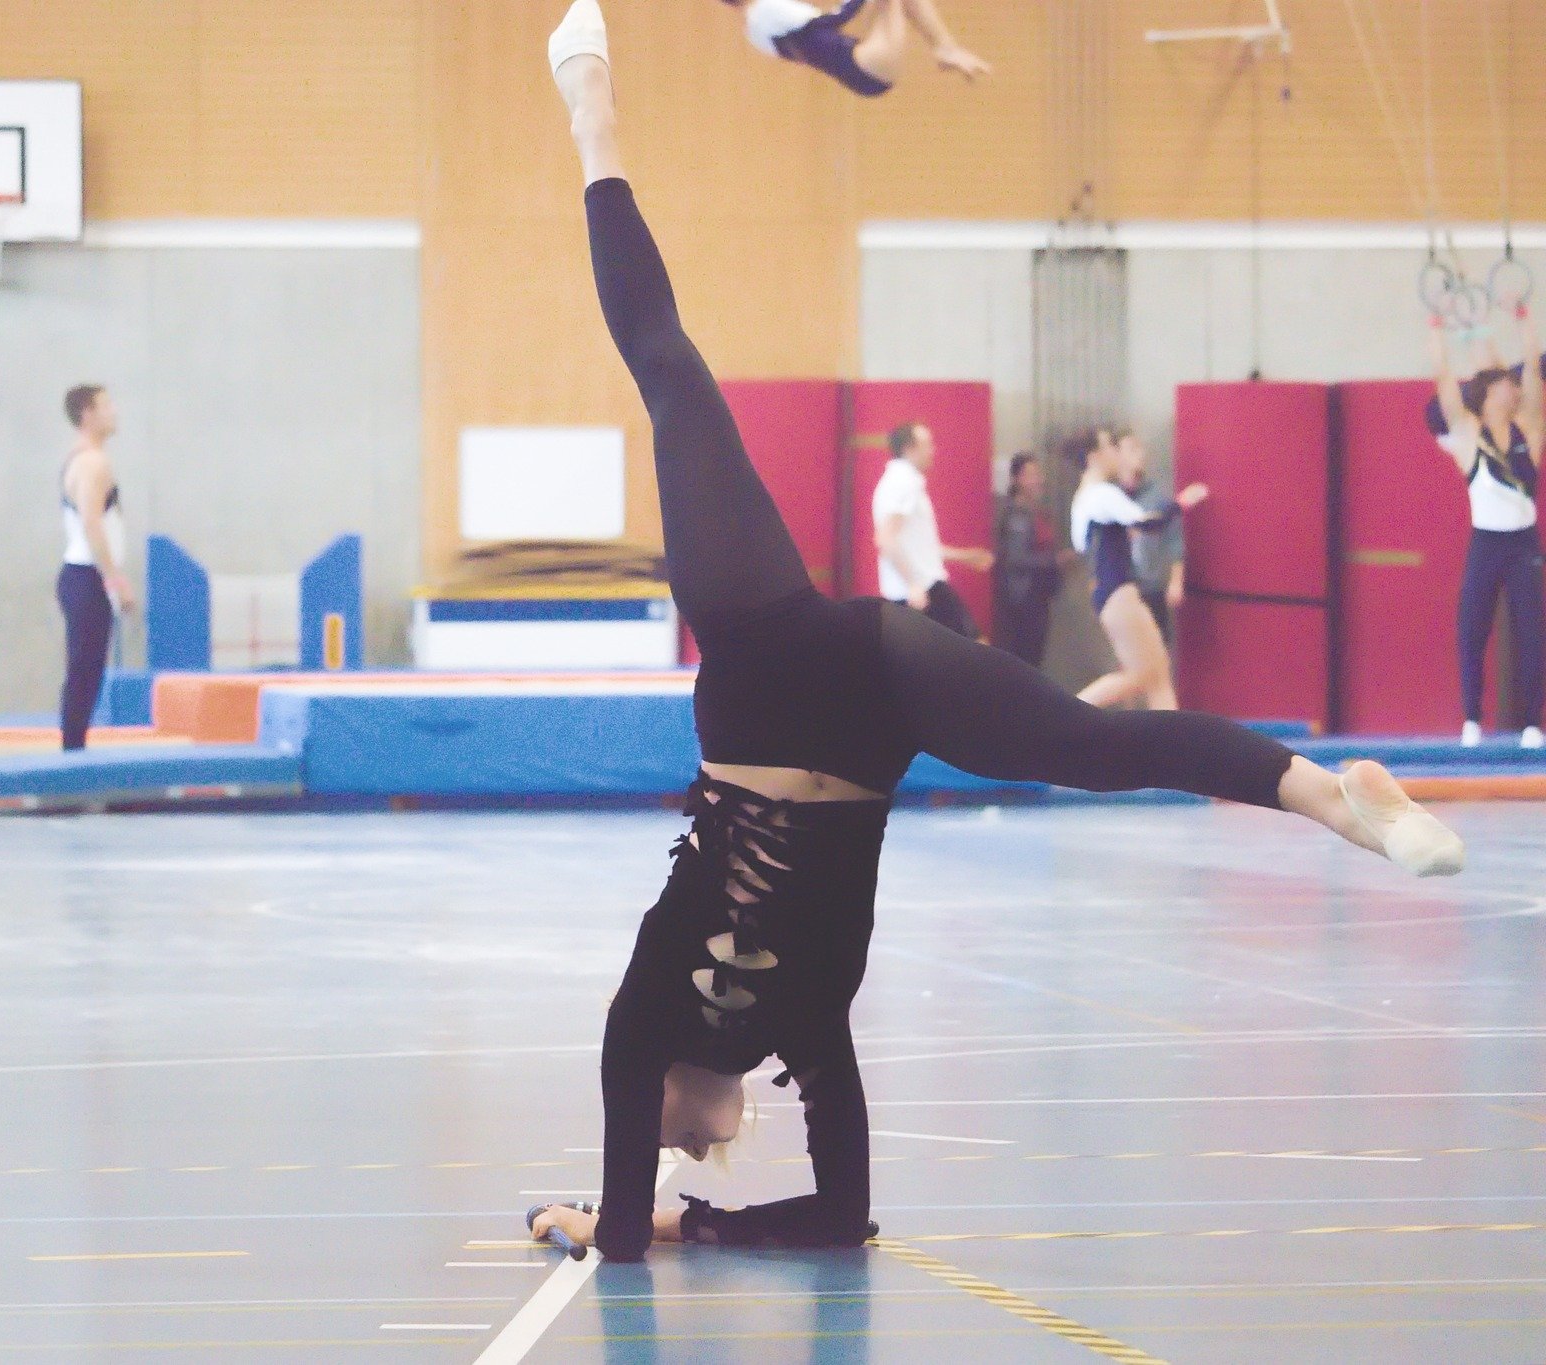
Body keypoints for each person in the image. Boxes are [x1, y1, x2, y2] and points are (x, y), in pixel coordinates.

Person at [536, 0, 1462, 1263]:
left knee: (670, 371)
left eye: (669, 1147)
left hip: (766, 654)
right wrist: (692, 1219)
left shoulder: (636, 1028)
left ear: (645, 1098)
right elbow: (839, 1223)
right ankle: (1333, 801)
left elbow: (618, 1241)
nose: (691, 1150)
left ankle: (592, 120)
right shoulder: (801, 1028)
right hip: (871, 704)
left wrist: (619, 1214)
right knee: (1090, 743)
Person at [1428, 313, 1544, 749]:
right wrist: (1437, 330)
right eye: (1504, 386)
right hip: (1487, 543)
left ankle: (1532, 724)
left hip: (1524, 545)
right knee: (1471, 630)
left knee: (1532, 631)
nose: (1513, 390)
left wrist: (1523, 321)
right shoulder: (1467, 436)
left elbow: (1532, 373)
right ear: (1489, 394)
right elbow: (1443, 379)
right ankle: (1472, 719)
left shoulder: (1529, 429)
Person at [1072, 428, 1207, 711]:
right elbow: (1148, 522)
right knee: (1143, 676)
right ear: (1094, 457)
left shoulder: (1086, 496)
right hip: (1118, 592)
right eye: (1110, 446)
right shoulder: (1101, 494)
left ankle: (1169, 734)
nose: (1115, 452)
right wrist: (1181, 503)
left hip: (1112, 591)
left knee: (1156, 673)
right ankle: (1067, 712)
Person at [58, 384, 136, 752]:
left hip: (84, 577)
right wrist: (115, 582)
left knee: (87, 670)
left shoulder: (84, 457)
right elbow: (92, 524)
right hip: (86, 576)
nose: (115, 411)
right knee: (84, 671)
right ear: (88, 414)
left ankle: (74, 748)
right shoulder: (92, 462)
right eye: (107, 405)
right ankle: (72, 751)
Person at [718, 0, 989, 100]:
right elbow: (837, 19)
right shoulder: (767, 7)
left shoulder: (752, 32)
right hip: (866, 62)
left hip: (859, 72)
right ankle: (945, 48)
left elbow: (817, 39)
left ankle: (945, 49)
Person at [872, 422, 994, 640]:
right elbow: (885, 538)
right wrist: (912, 585)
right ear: (909, 449)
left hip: (921, 588)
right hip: (921, 590)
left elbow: (919, 547)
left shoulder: (904, 482)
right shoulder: (903, 483)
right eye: (927, 445)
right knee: (973, 646)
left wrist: (966, 557)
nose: (933, 450)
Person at [991, 451, 1062, 668]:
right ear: (1017, 480)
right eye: (1031, 475)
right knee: (1026, 658)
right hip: (1023, 600)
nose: (1038, 480)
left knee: (1034, 657)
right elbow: (1016, 558)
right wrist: (1054, 561)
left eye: (1038, 474)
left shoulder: (1036, 512)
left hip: (1036, 598)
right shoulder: (1017, 515)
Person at [1116, 430, 1186, 644]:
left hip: (1152, 588)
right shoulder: (1108, 495)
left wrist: (1176, 580)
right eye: (1132, 449)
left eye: (1140, 448)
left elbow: (1175, 539)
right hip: (1120, 589)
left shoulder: (1156, 495)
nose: (1140, 454)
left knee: (1157, 646)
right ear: (1116, 455)